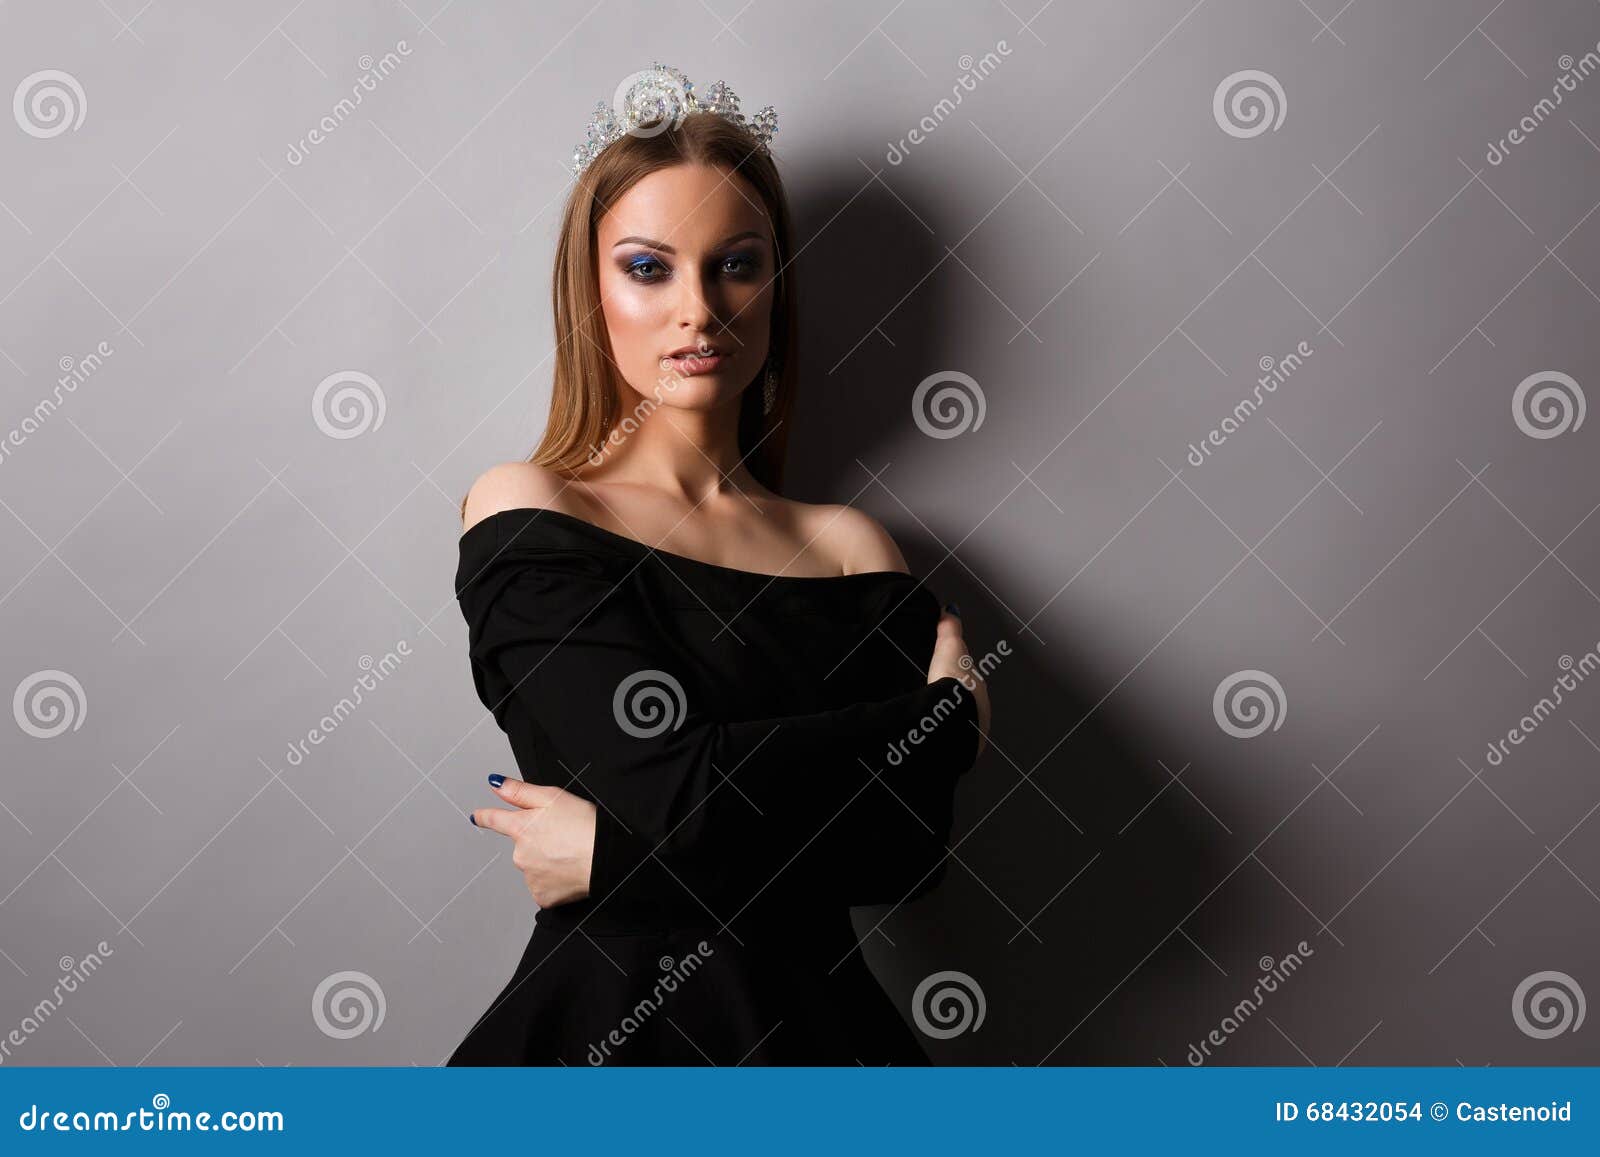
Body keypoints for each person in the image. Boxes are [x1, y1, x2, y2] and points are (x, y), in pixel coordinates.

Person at [449, 64, 991, 1065]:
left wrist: (611, 856)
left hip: (826, 1047)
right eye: (649, 268)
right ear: (591, 289)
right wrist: (935, 721)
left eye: (735, 264)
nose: (699, 308)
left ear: (775, 283)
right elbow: (673, 784)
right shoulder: (532, 505)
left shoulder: (849, 546)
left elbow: (900, 850)